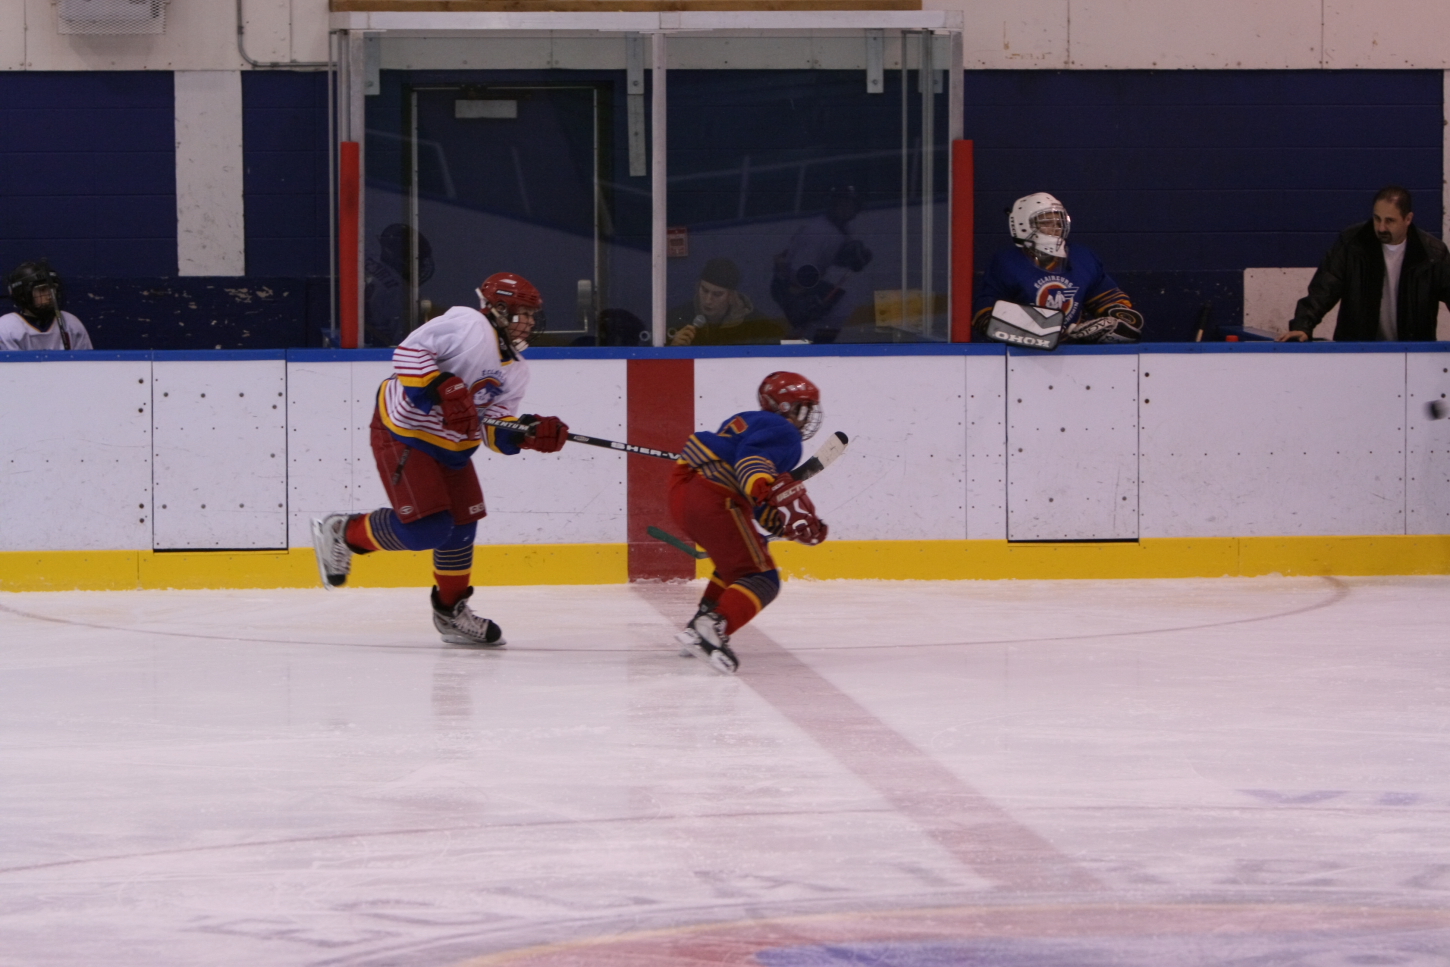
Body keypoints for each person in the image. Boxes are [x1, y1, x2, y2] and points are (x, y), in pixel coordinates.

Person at [311, 272, 570, 646]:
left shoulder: (517, 369)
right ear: (498, 308)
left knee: (463, 525)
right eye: (523, 313)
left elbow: (493, 427)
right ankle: (344, 532)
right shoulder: (468, 325)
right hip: (405, 432)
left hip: (452, 447)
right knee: (427, 530)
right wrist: (440, 385)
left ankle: (450, 613)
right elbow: (409, 353)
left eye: (532, 315)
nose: (530, 322)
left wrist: (527, 433)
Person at [669, 371, 829, 674]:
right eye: (802, 408)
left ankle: (699, 623)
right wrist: (761, 486)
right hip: (715, 499)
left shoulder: (744, 420)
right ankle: (712, 627)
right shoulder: (785, 432)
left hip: (685, 493)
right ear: (784, 407)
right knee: (762, 577)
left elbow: (751, 492)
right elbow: (751, 461)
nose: (806, 418)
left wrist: (781, 524)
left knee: (739, 560)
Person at [1279, 186, 1450, 342]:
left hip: (1414, 354)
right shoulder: (1352, 243)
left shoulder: (1432, 254)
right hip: (1359, 351)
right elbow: (1324, 289)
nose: (1381, 228)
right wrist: (1303, 326)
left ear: (1408, 219)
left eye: (1390, 221)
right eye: (1377, 218)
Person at [972, 192, 1142, 344]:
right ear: (1023, 225)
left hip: (1076, 354)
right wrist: (1043, 331)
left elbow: (1111, 301)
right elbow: (985, 316)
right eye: (1046, 222)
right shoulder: (1006, 262)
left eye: (1058, 222)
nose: (1055, 228)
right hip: (1021, 356)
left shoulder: (1082, 257)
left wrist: (1115, 320)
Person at [771, 186, 874, 341]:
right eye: (841, 204)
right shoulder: (819, 232)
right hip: (788, 286)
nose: (846, 209)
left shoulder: (841, 228)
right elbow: (797, 270)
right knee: (833, 308)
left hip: (799, 281)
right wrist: (801, 296)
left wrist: (854, 258)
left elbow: (833, 255)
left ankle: (803, 346)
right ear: (833, 205)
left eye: (850, 205)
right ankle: (811, 346)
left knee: (823, 314)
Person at [668, 257, 786, 346]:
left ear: (731, 296)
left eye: (717, 294)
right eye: (704, 290)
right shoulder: (677, 318)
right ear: (697, 287)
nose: (708, 300)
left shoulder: (757, 326)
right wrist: (673, 348)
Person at [365, 224, 435, 347]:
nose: (420, 265)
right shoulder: (400, 291)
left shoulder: (367, 264)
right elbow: (404, 345)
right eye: (415, 257)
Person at [1, 260, 93, 351]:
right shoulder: (7, 327)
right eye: (42, 290)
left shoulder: (70, 323)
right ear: (22, 296)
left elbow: (86, 359)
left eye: (53, 288)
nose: (50, 295)